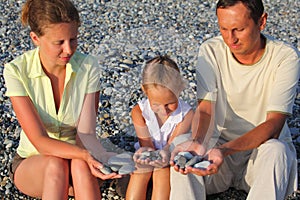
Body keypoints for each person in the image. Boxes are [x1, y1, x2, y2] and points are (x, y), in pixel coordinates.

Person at [170, 0, 300, 199]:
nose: (231, 39)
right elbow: (205, 110)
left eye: (239, 29)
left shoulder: (285, 57)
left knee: (276, 150)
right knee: (183, 146)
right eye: (224, 28)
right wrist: (198, 142)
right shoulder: (211, 51)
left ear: (261, 21)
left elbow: (274, 125)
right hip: (216, 154)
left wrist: (225, 150)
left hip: (259, 157)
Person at [4, 0, 121, 199]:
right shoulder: (16, 70)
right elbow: (40, 141)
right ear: (35, 38)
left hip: (78, 155)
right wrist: (84, 155)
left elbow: (85, 133)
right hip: (34, 161)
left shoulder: (88, 66)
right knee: (56, 164)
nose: (68, 49)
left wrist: (85, 156)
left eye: (73, 39)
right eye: (59, 42)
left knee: (80, 165)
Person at [125, 55, 194, 200]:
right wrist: (148, 156)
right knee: (140, 170)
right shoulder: (139, 112)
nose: (163, 110)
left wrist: (162, 157)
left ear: (180, 88)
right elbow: (146, 144)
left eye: (169, 103)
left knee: (161, 172)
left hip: (169, 156)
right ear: (145, 90)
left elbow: (171, 145)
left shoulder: (186, 115)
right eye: (156, 104)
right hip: (146, 152)